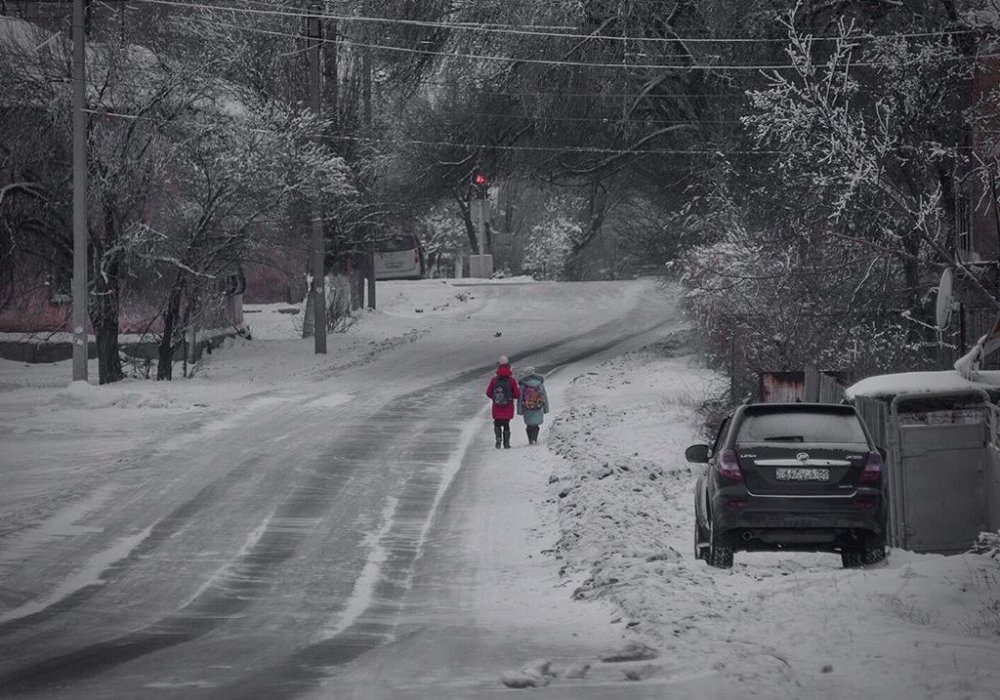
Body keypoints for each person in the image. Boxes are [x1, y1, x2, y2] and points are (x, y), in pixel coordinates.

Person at [485, 355, 520, 449]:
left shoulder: (494, 380)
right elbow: (516, 394)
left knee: (497, 423)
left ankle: (498, 439)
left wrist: (495, 398)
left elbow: (488, 393)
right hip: (508, 406)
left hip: (497, 406)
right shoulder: (511, 380)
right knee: (506, 424)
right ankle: (506, 443)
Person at [517, 368, 549, 445]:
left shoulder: (523, 384)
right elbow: (544, 396)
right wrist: (546, 408)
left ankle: (530, 439)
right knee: (536, 424)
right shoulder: (539, 383)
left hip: (527, 407)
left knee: (529, 424)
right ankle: (534, 438)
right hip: (538, 406)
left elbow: (520, 398)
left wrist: (519, 410)